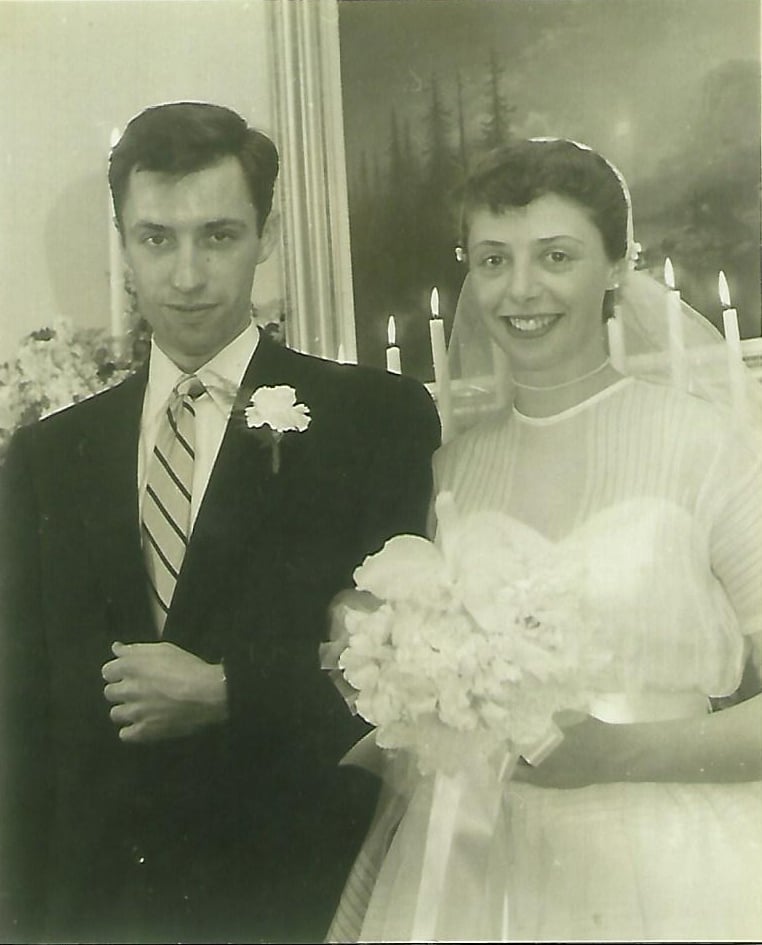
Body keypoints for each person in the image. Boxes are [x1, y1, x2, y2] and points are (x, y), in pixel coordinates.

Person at [0, 101, 440, 944]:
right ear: (124, 244)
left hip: (298, 894)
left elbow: (408, 673)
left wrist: (233, 687)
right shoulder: (49, 454)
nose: (187, 275)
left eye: (219, 235)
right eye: (156, 238)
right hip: (100, 908)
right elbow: (21, 724)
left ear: (266, 235)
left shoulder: (375, 419)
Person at [326, 138, 762, 942]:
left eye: (556, 256)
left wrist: (619, 754)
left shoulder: (707, 445)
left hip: (671, 865)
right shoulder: (453, 467)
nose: (520, 288)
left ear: (616, 265)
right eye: (494, 259)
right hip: (477, 865)